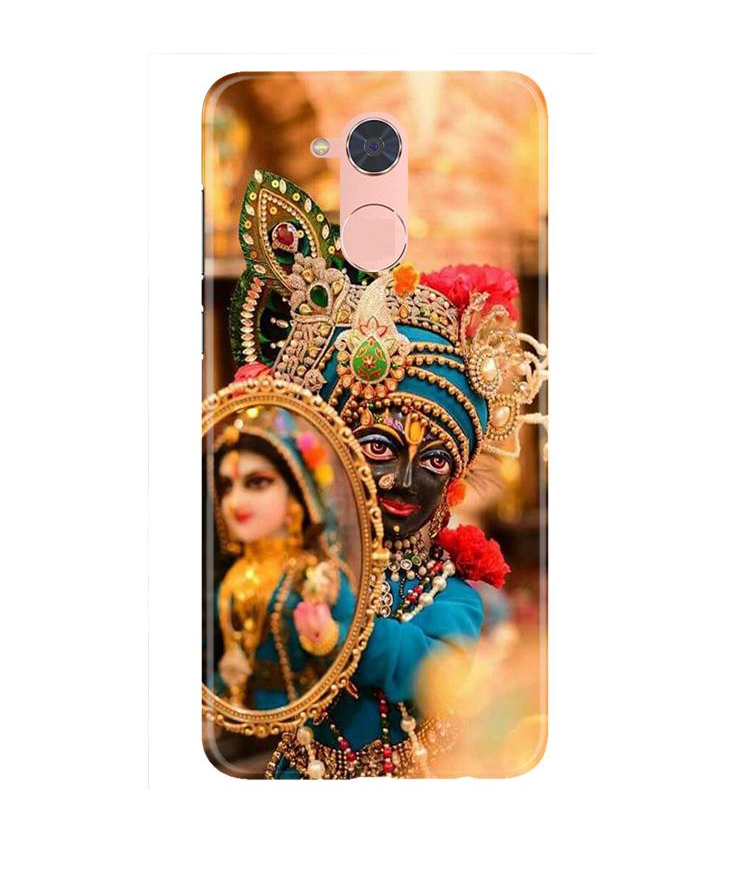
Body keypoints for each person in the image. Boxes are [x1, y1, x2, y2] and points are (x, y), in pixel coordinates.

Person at [227, 169, 547, 777]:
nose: (404, 480)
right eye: (379, 448)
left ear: (453, 483)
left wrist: (341, 624)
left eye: (433, 462)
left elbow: (430, 674)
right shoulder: (302, 563)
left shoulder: (450, 594)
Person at [207, 407, 355, 711]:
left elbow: (356, 655)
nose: (235, 501)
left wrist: (326, 637)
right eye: (227, 486)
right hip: (238, 721)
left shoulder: (320, 575)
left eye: (257, 482)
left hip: (304, 726)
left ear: (296, 491)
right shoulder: (234, 574)